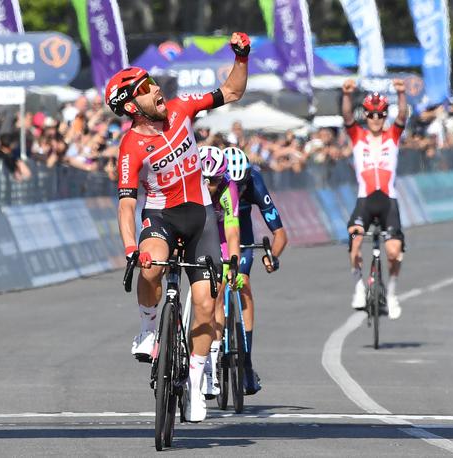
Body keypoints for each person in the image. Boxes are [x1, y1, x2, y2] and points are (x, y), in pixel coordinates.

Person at [109, 31, 250, 423]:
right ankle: (148, 328)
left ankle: (197, 381)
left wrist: (241, 57)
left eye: (151, 82)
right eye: (144, 88)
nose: (155, 89)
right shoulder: (131, 146)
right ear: (131, 106)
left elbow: (232, 92)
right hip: (161, 218)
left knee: (206, 303)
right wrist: (128, 248)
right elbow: (126, 205)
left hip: (200, 216)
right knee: (151, 264)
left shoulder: (181, 108)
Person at [341, 78, 408, 320]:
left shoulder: (393, 135)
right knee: (355, 238)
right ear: (366, 116)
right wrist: (347, 95)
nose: (376, 119)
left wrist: (401, 94)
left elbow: (402, 115)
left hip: (388, 200)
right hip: (365, 200)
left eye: (380, 115)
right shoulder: (358, 135)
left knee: (393, 251)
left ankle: (391, 293)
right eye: (371, 115)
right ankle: (359, 287)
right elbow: (347, 116)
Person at [224, 147, 287, 395]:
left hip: (242, 235)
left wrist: (272, 256)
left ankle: (246, 362)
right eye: (233, 184)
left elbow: (280, 234)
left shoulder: (255, 183)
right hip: (216, 231)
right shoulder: (210, 180)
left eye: (241, 185)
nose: (236, 191)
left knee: (243, 282)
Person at [197, 145, 243, 399]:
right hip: (198, 231)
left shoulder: (228, 188)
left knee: (217, 295)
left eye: (213, 180)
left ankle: (210, 367)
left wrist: (233, 262)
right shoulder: (193, 184)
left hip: (221, 237)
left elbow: (232, 228)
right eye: (204, 179)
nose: (208, 185)